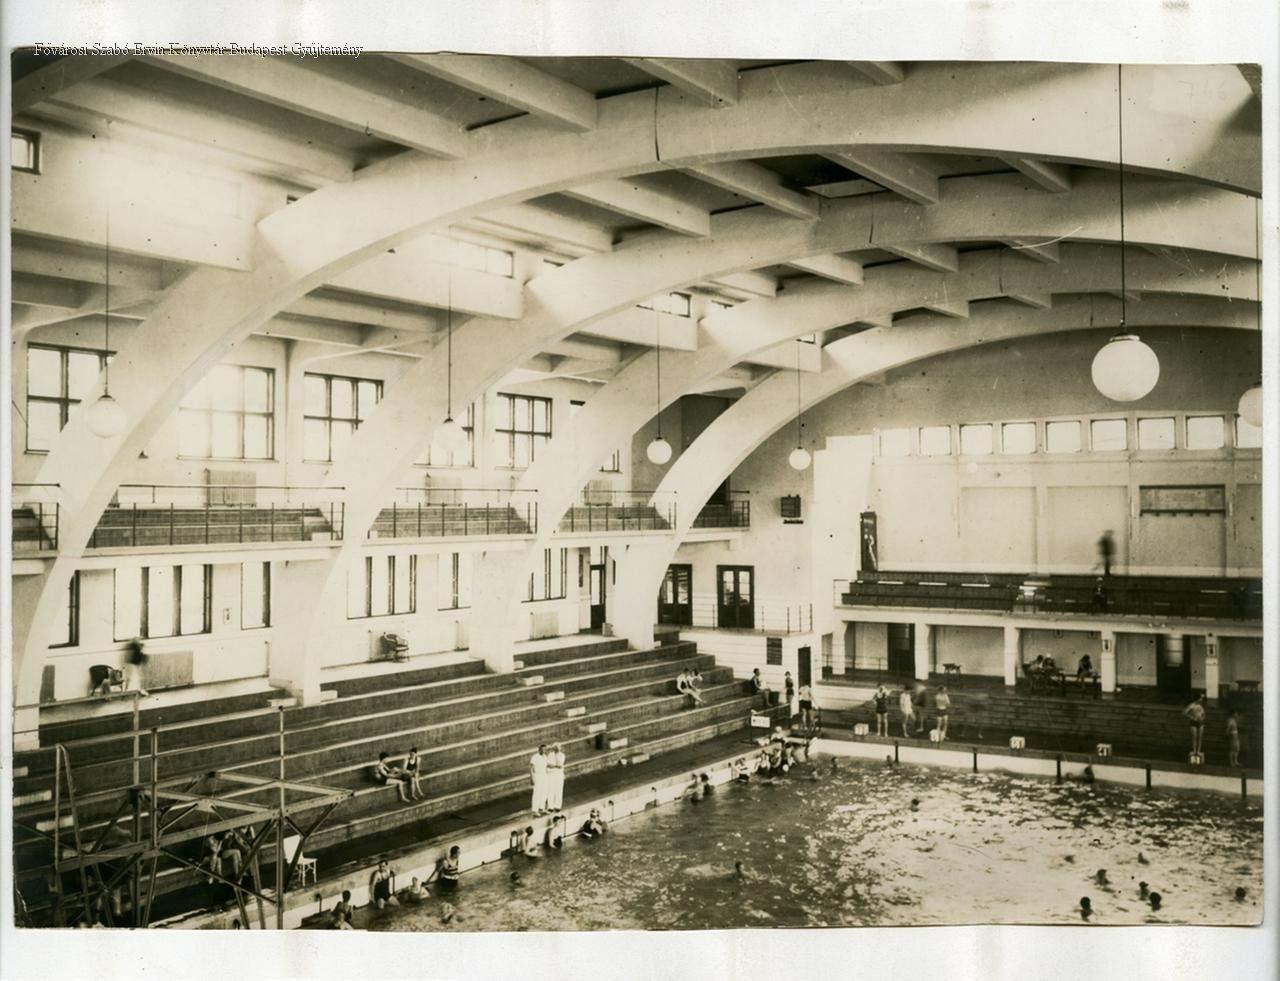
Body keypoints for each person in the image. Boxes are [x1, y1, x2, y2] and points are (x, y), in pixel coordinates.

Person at [529, 743, 549, 815]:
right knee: (537, 793)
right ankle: (535, 810)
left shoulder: (545, 757)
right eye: (542, 749)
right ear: (539, 749)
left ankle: (541, 808)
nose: (544, 751)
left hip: (544, 776)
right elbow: (531, 768)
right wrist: (532, 778)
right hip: (537, 776)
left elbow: (546, 767)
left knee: (544, 793)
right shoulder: (535, 757)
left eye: (545, 749)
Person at [546, 743, 566, 812]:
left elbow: (559, 765)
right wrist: (555, 766)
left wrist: (553, 765)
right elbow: (547, 765)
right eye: (555, 747)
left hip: (559, 774)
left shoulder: (562, 755)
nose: (557, 748)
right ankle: (550, 807)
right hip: (551, 774)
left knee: (559, 790)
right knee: (550, 790)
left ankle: (557, 806)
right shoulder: (550, 755)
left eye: (558, 747)